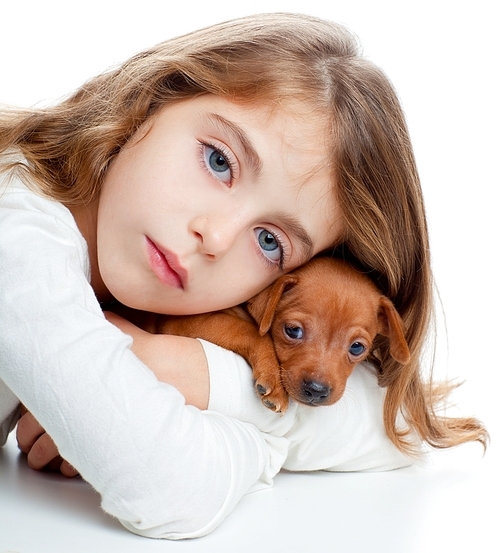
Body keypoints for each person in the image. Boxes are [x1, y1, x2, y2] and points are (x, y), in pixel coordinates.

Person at [0, 12, 487, 540]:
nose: (216, 236)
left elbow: (397, 427)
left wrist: (187, 373)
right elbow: (170, 491)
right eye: (218, 160)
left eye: (270, 241)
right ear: (153, 97)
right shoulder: (17, 235)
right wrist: (263, 442)